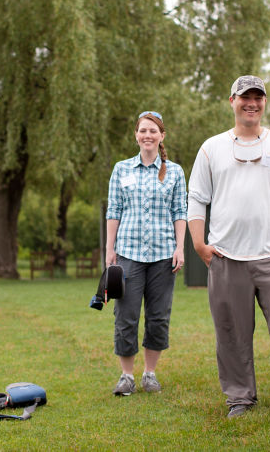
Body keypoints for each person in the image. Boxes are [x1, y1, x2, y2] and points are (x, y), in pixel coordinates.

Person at [187, 75, 270, 418]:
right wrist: (200, 245)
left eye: (258, 97)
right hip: (226, 257)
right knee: (231, 335)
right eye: (244, 97)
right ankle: (240, 398)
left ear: (264, 102)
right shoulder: (211, 148)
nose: (252, 103)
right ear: (231, 100)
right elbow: (196, 199)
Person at [105, 111, 187, 396]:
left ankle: (149, 374)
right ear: (136, 135)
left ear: (161, 135)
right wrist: (109, 250)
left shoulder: (174, 171)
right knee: (125, 315)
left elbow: (180, 212)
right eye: (143, 130)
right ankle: (126, 376)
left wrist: (180, 247)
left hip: (164, 255)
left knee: (158, 316)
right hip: (128, 254)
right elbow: (113, 210)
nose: (147, 135)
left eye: (153, 130)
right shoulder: (122, 169)